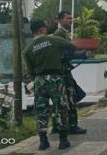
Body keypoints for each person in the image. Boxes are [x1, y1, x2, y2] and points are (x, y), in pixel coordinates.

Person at [22, 20, 75, 150]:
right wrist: (64, 59)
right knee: (61, 107)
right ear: (42, 30)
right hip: (56, 78)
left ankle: (43, 141)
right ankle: (63, 140)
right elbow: (72, 47)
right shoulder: (54, 40)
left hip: (39, 80)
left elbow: (30, 71)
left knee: (41, 110)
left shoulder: (28, 49)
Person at [50, 11, 88, 135]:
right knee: (70, 97)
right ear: (60, 20)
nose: (70, 21)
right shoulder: (59, 34)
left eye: (71, 18)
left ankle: (57, 125)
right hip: (63, 71)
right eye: (67, 19)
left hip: (62, 70)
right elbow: (65, 53)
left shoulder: (63, 33)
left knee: (60, 99)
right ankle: (72, 125)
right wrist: (82, 53)